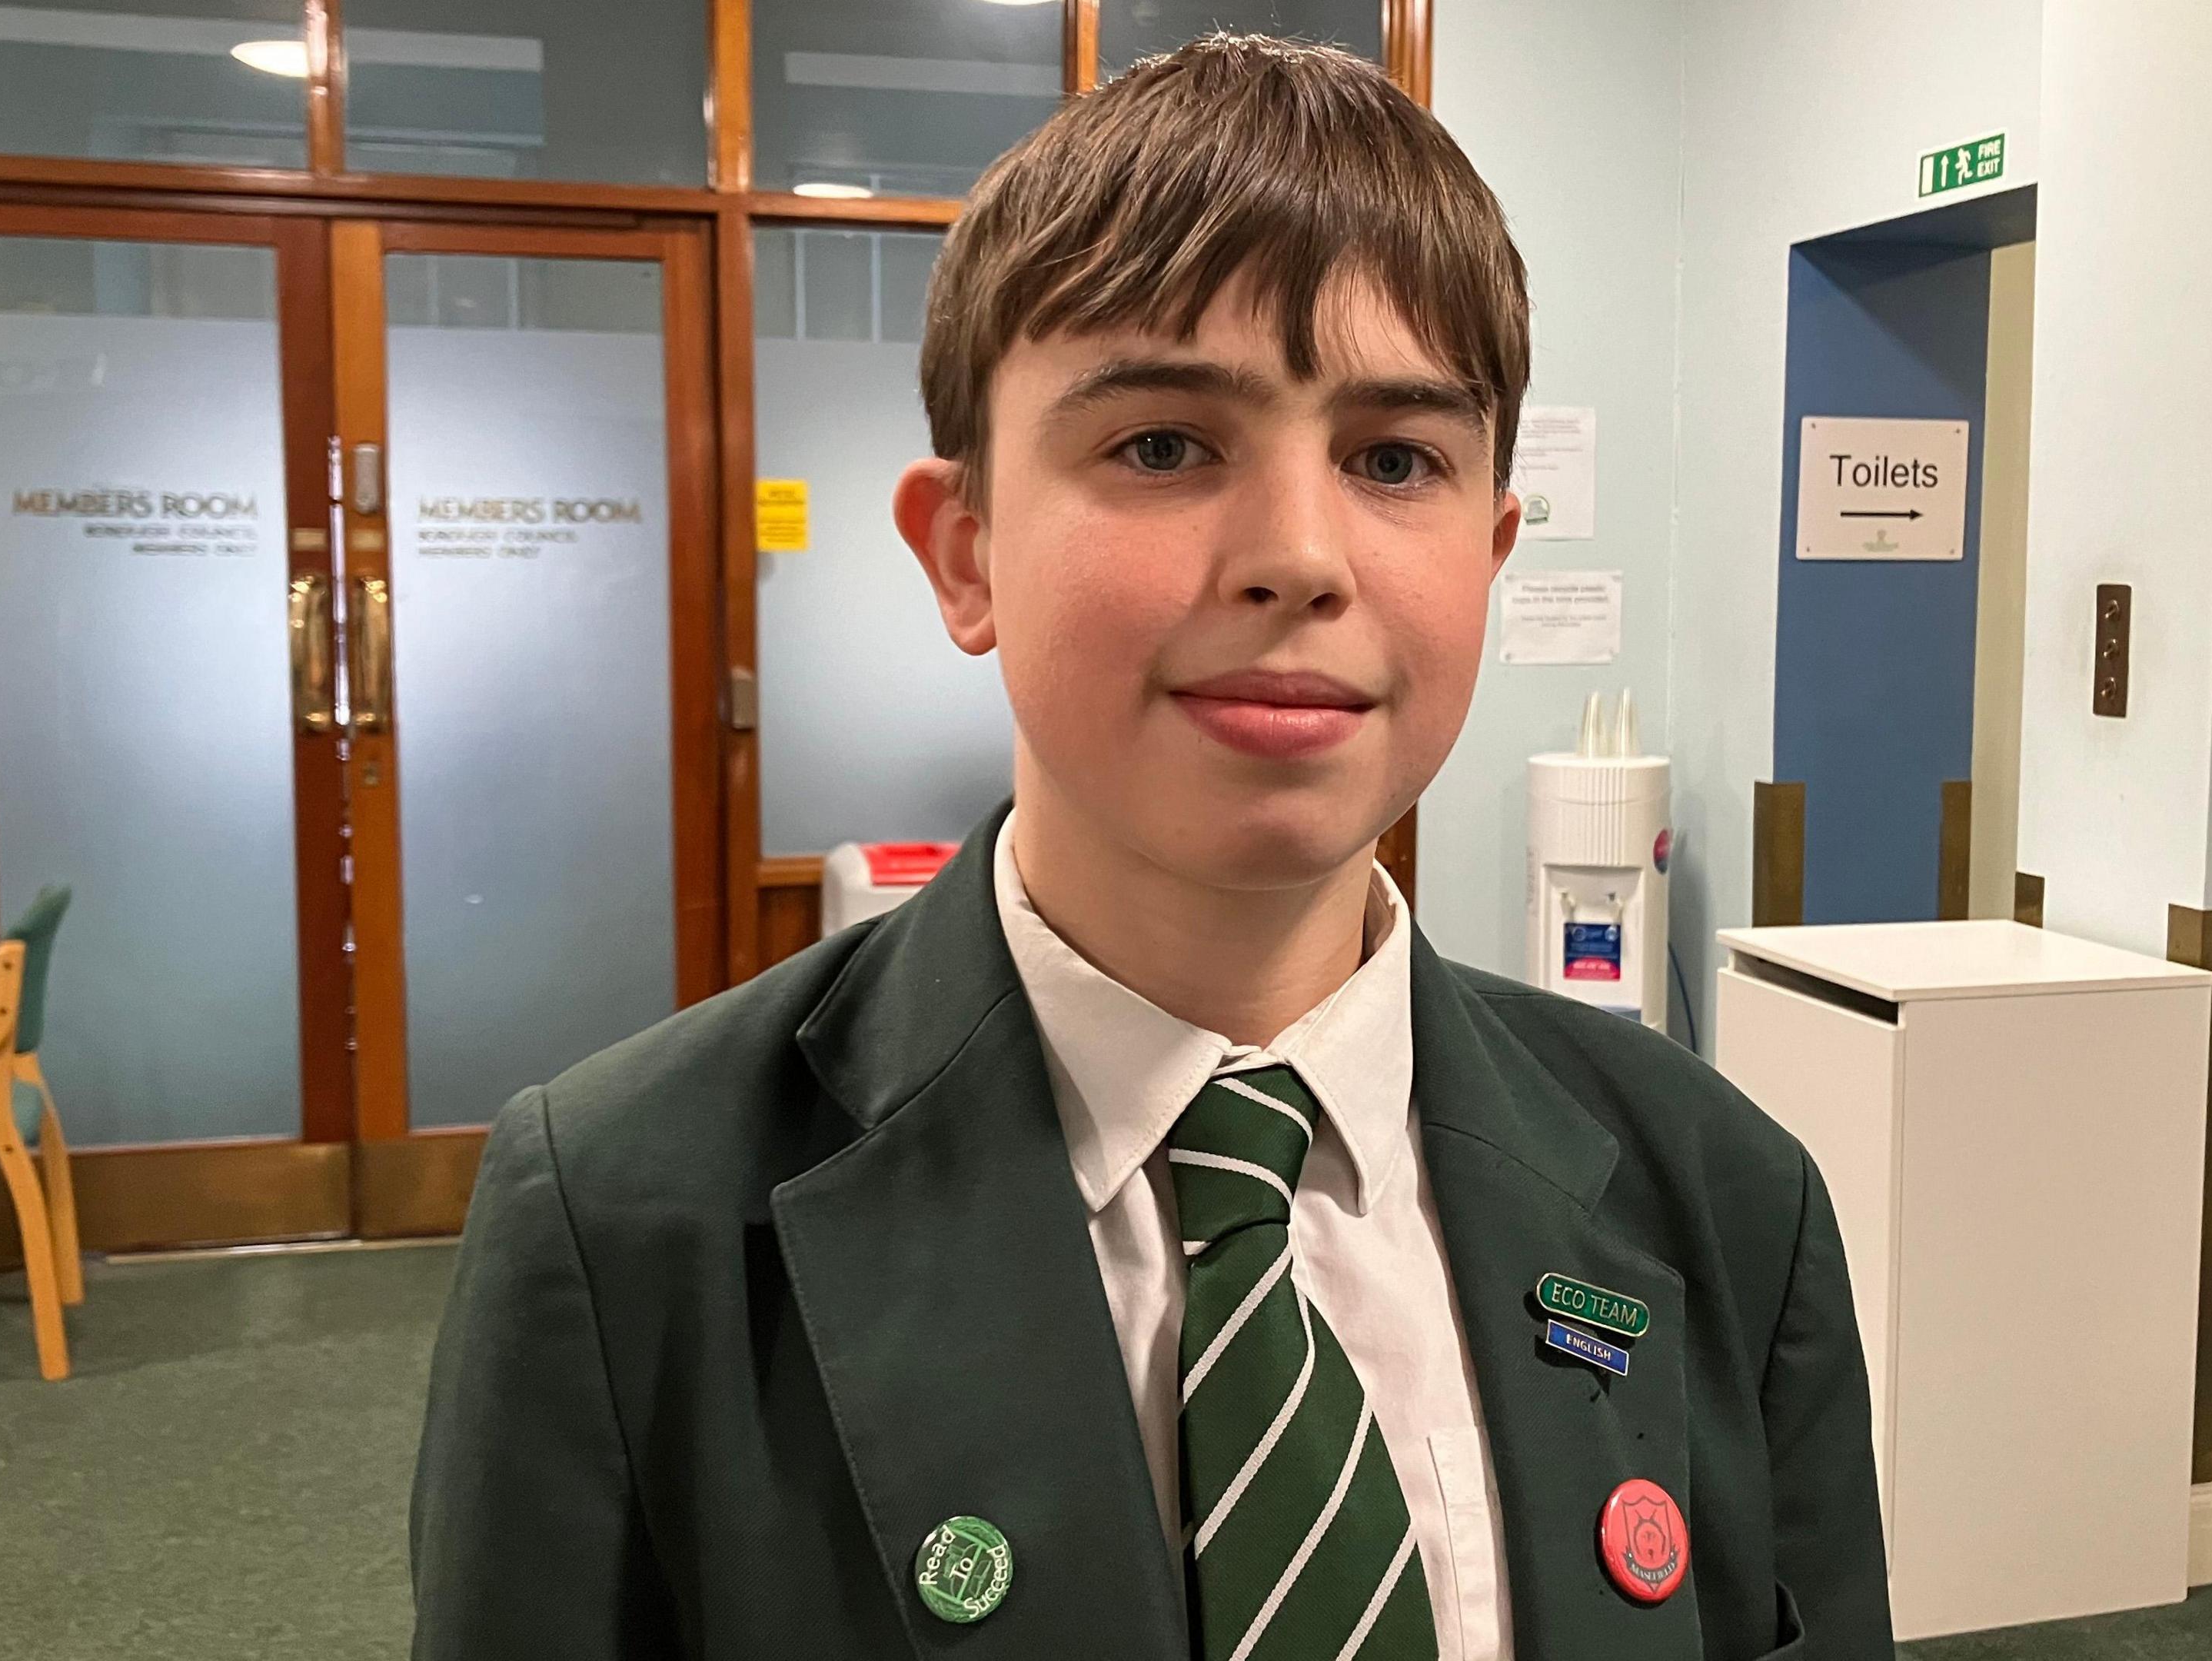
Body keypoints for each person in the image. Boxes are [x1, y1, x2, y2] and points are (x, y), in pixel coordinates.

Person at [409, 33, 1889, 1661]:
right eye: (1166, 445)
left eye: (1396, 460)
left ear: (1488, 552)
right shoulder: (631, 1219)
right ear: (965, 553)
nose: (1301, 557)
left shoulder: (1723, 1199)